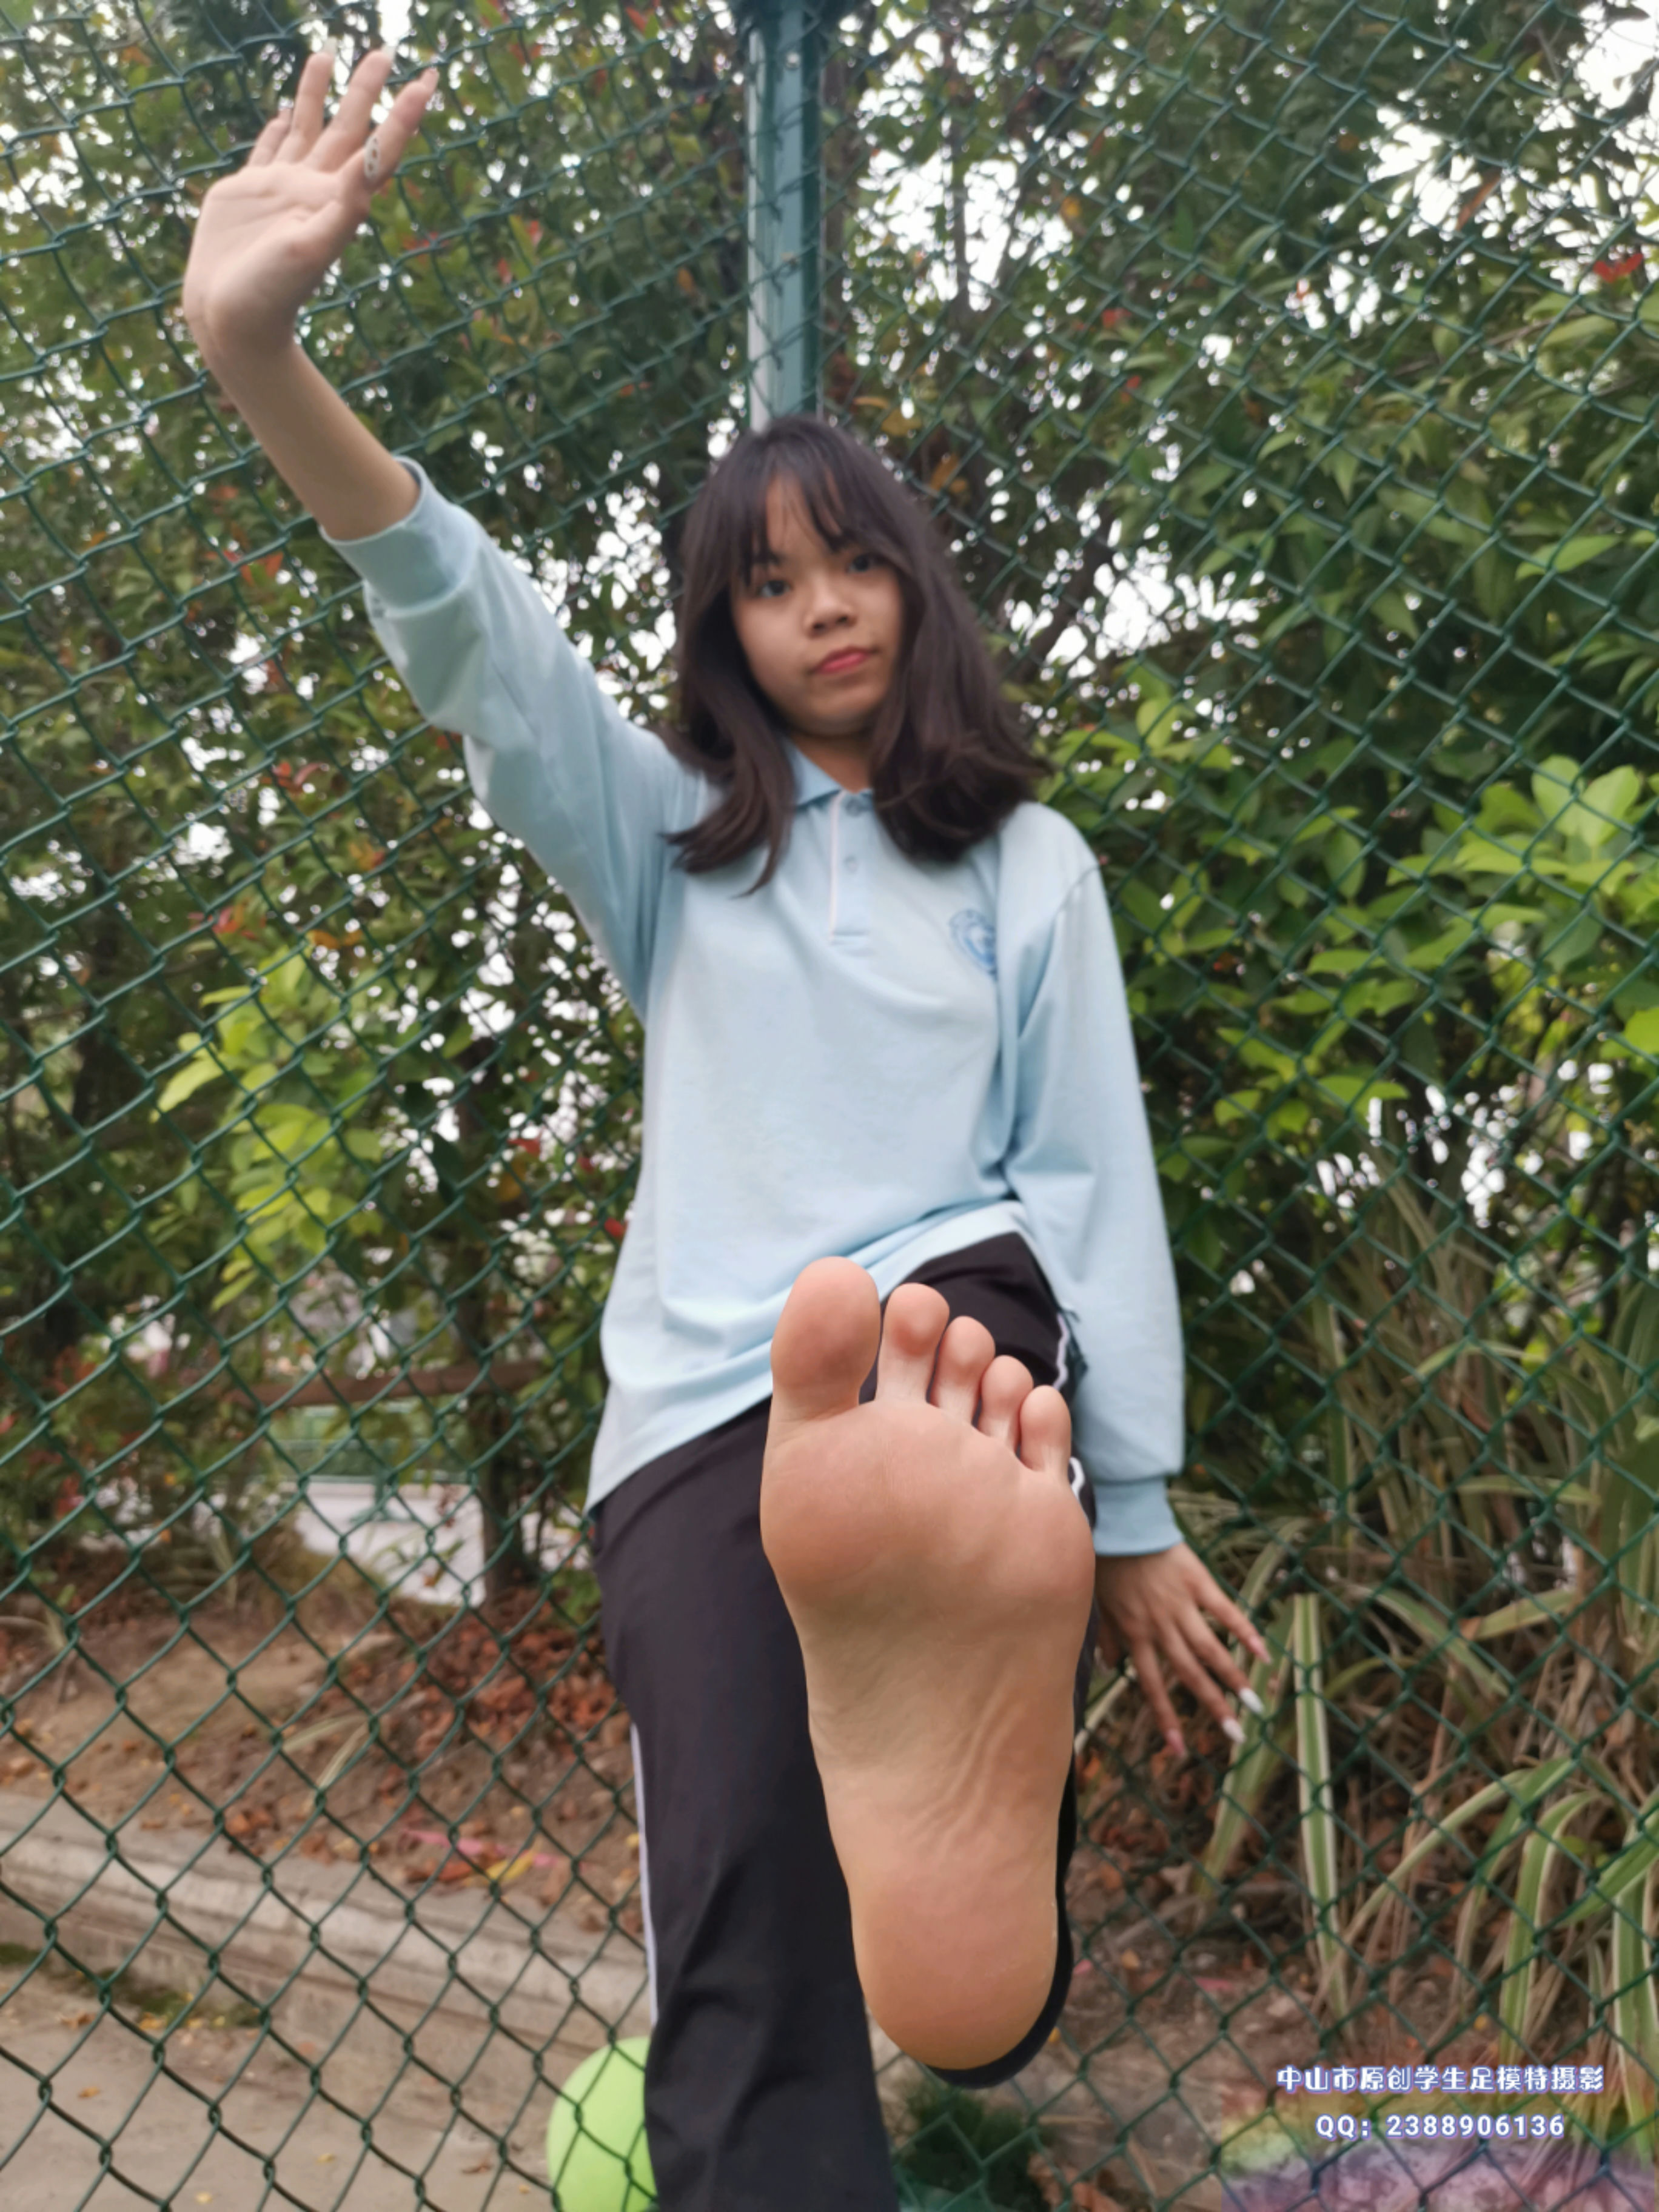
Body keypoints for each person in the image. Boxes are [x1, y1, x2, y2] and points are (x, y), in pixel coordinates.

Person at [181, 42, 1272, 2209]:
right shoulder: (675, 845)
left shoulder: (1024, 868)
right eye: (771, 584)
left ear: (915, 589)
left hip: (953, 1345)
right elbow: (484, 641)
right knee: (744, 1953)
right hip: (712, 1419)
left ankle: (956, 1693)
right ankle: (911, 1812)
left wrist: (1132, 1510)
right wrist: (257, 355)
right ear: (726, 634)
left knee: (965, 1326)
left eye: (854, 563)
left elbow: (1090, 1179)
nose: (824, 607)